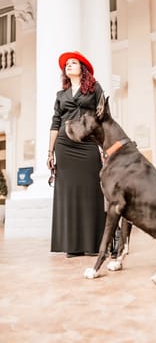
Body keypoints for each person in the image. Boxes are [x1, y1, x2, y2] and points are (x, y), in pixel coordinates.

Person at [47, 51, 106, 258]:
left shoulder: (94, 88)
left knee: (92, 190)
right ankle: (72, 245)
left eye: (73, 63)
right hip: (64, 145)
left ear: (82, 67)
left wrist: (104, 147)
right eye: (67, 64)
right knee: (68, 194)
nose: (69, 66)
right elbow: (55, 123)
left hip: (87, 142)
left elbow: (104, 118)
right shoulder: (60, 95)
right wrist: (50, 152)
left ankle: (93, 245)